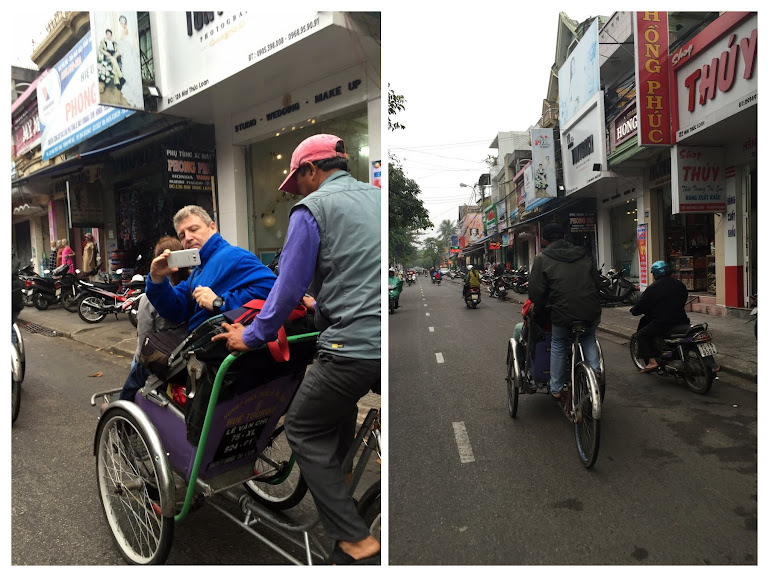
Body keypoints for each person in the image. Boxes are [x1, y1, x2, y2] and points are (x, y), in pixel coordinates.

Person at [211, 134, 381, 565]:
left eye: (298, 181)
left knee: (303, 426)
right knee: (336, 407)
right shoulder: (376, 198)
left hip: (352, 344)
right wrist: (320, 304)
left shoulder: (311, 209)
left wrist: (248, 337)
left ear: (311, 170)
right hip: (379, 341)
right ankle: (336, 482)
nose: (297, 192)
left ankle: (354, 540)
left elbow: (284, 290)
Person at [145, 205, 276, 333]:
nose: (188, 238)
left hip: (222, 349)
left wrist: (219, 302)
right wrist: (157, 279)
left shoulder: (234, 256)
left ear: (212, 227)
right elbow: (174, 309)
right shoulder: (199, 269)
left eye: (194, 229)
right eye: (182, 236)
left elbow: (274, 291)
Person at [528, 223, 602, 400]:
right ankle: (596, 370)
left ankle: (556, 388)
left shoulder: (542, 258)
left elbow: (536, 294)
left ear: (544, 241)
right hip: (590, 310)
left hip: (562, 313)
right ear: (564, 237)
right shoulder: (583, 254)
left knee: (559, 343)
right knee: (588, 337)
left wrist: (541, 305)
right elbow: (597, 283)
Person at [118, 236, 191, 403]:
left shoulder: (150, 298)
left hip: (162, 363)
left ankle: (120, 418)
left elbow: (143, 339)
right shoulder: (194, 287)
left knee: (136, 370)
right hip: (186, 361)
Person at [630, 260, 690, 372]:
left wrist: (634, 310)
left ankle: (652, 362)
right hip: (682, 320)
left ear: (655, 274)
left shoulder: (652, 289)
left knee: (641, 335)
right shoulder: (680, 285)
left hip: (662, 323)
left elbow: (640, 307)